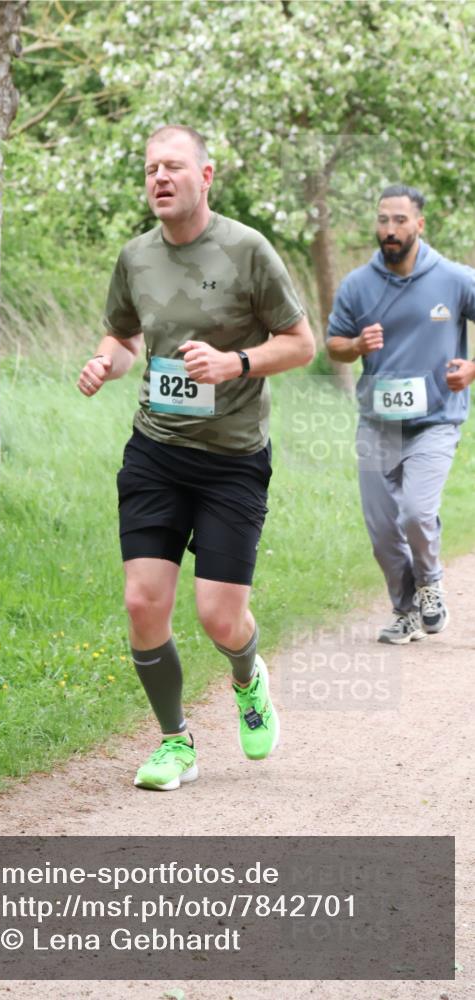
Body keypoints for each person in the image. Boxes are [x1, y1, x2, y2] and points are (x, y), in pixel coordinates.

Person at [77, 124, 315, 791]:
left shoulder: (247, 250)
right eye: (151, 167)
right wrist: (104, 363)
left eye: (173, 166)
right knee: (142, 602)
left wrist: (235, 362)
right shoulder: (135, 257)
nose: (160, 177)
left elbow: (301, 344)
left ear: (205, 176)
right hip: (156, 451)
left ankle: (247, 676)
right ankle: (174, 742)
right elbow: (123, 338)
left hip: (233, 460)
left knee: (220, 616)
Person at [327, 184, 475, 644]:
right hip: (378, 423)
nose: (389, 229)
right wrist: (356, 345)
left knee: (415, 511)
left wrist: (471, 368)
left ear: (419, 225)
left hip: (436, 419)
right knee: (382, 529)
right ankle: (406, 610)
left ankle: (429, 582)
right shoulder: (357, 285)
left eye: (400, 220)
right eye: (383, 220)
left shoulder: (453, 278)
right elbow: (334, 344)